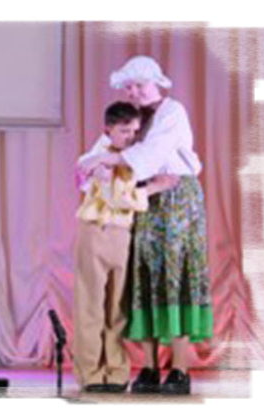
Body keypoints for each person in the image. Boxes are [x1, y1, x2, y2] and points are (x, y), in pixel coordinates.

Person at [82, 55, 211, 395]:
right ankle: (150, 368)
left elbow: (153, 153)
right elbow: (99, 151)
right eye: (129, 87)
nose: (134, 92)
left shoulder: (172, 112)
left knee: (174, 275)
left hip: (175, 197)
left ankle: (180, 369)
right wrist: (94, 163)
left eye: (139, 85)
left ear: (156, 83)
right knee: (144, 277)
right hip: (143, 197)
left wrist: (110, 159)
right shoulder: (132, 118)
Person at [72, 101, 178, 393]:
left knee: (117, 306)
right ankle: (90, 371)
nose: (130, 137)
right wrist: (156, 187)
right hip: (97, 231)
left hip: (122, 234)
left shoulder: (132, 158)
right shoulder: (99, 158)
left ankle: (116, 371)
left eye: (134, 131)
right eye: (124, 131)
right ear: (108, 130)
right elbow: (118, 197)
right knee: (91, 304)